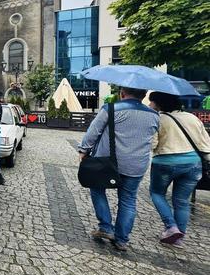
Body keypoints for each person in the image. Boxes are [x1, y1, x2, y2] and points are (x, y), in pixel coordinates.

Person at [78, 87, 160, 251]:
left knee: (96, 188)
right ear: (144, 96)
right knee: (128, 200)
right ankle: (121, 240)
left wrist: (83, 150)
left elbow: (93, 132)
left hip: (107, 162)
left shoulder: (110, 109)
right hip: (137, 164)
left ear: (122, 93)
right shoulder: (154, 115)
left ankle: (106, 227)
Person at [148, 92, 210, 247]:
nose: (150, 105)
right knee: (182, 201)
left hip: (165, 162)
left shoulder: (159, 119)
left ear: (159, 104)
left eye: (151, 102)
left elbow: (153, 144)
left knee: (156, 193)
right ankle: (178, 238)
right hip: (193, 164)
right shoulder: (192, 118)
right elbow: (205, 143)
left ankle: (171, 227)